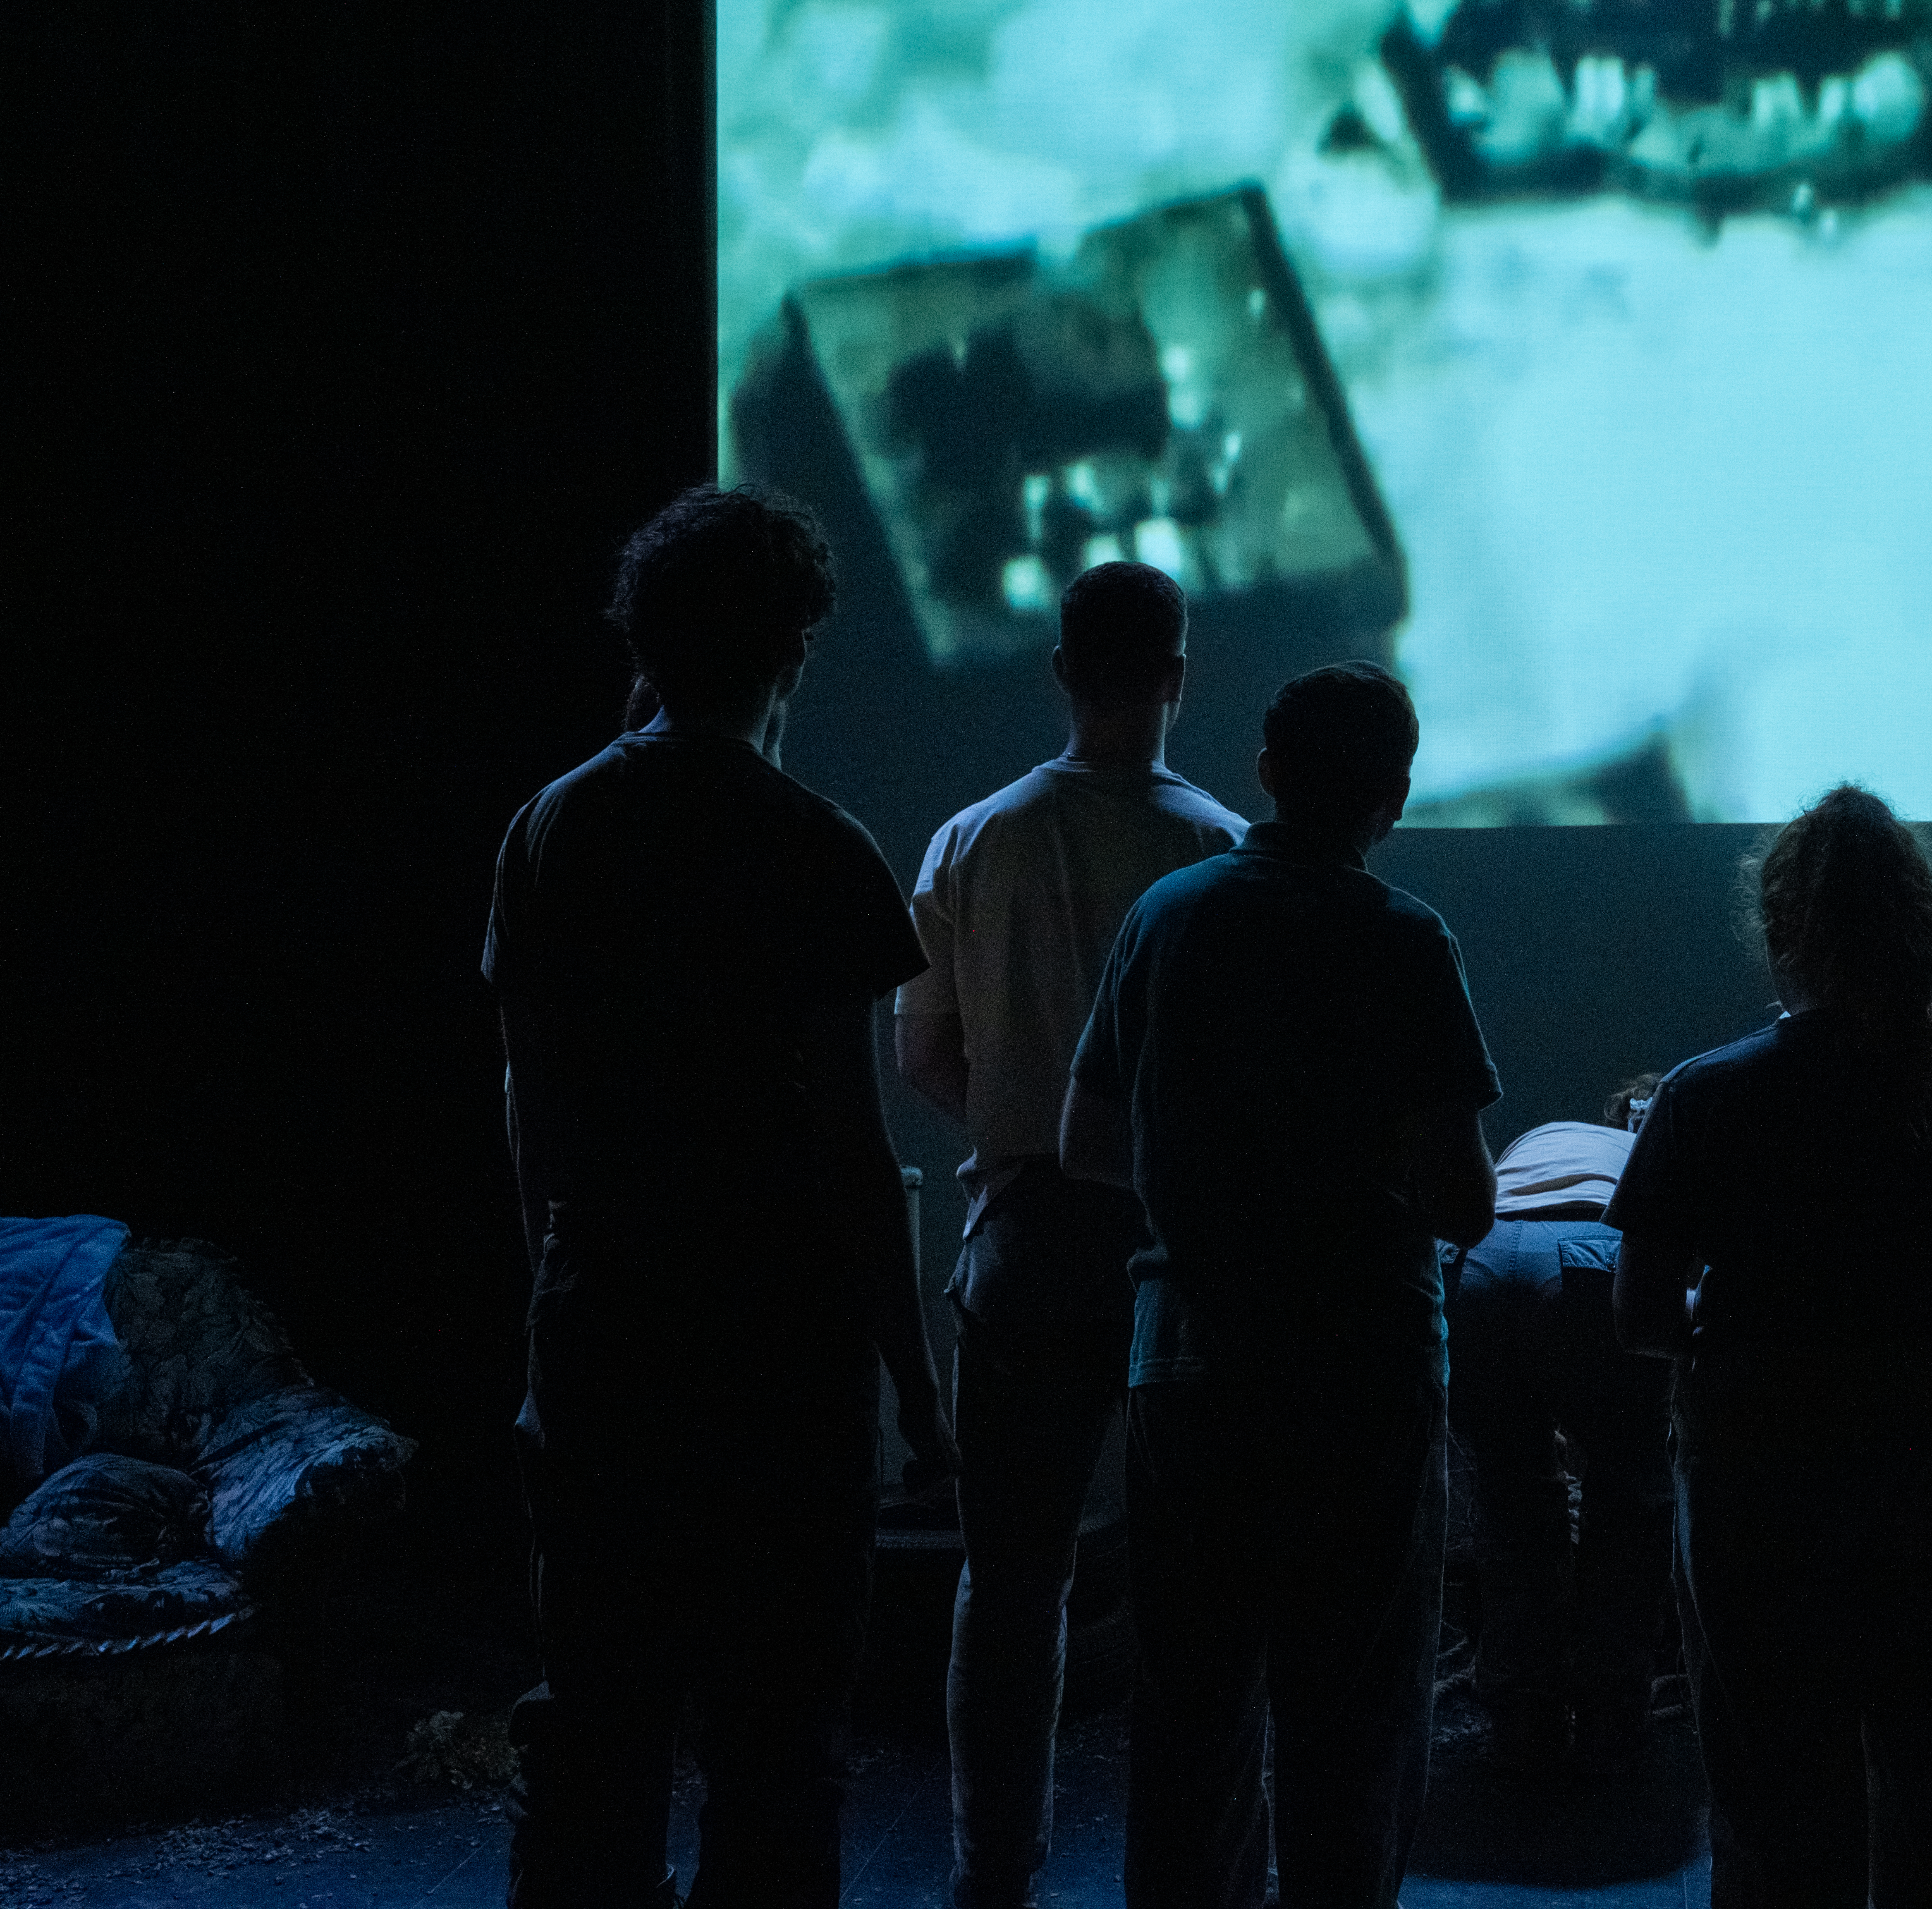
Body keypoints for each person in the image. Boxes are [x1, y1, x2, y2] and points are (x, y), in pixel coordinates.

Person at [485, 485, 952, 1909]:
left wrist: (552, 1298)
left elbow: (533, 1105)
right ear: (792, 651)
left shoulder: (554, 827)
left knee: (598, 1720)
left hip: (609, 1318)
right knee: (778, 1739)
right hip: (782, 1346)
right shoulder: (819, 844)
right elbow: (852, 1151)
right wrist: (914, 1387)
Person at [1062, 662, 1500, 1909]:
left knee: (1192, 1717)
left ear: (1264, 772)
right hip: (1362, 1373)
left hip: (1187, 1363)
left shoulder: (1169, 914)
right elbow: (1464, 1201)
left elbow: (1090, 1142)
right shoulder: (1406, 939)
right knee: (1352, 1725)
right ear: (1396, 797)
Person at [1610, 785, 1932, 1909]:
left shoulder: (1707, 1097)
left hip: (1761, 1457)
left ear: (1782, 931)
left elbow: (1637, 1317)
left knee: (1773, 1773)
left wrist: (1737, 1355)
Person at [893, 560, 1247, 1909]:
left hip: (1023, 1238)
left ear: (1057, 672)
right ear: (1177, 676)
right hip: (1171, 1244)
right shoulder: (1214, 849)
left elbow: (929, 1054)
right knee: (1191, 1586)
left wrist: (1016, 1117)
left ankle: (994, 1871)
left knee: (1012, 1577)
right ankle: (1188, 1872)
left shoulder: (970, 841)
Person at [1447, 1075, 1676, 1780]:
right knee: (1628, 1492)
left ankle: (1523, 1719)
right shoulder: (1657, 1147)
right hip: (1587, 1256)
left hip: (1479, 1261)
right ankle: (1613, 1717)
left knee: (1513, 1493)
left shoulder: (1548, 1137)